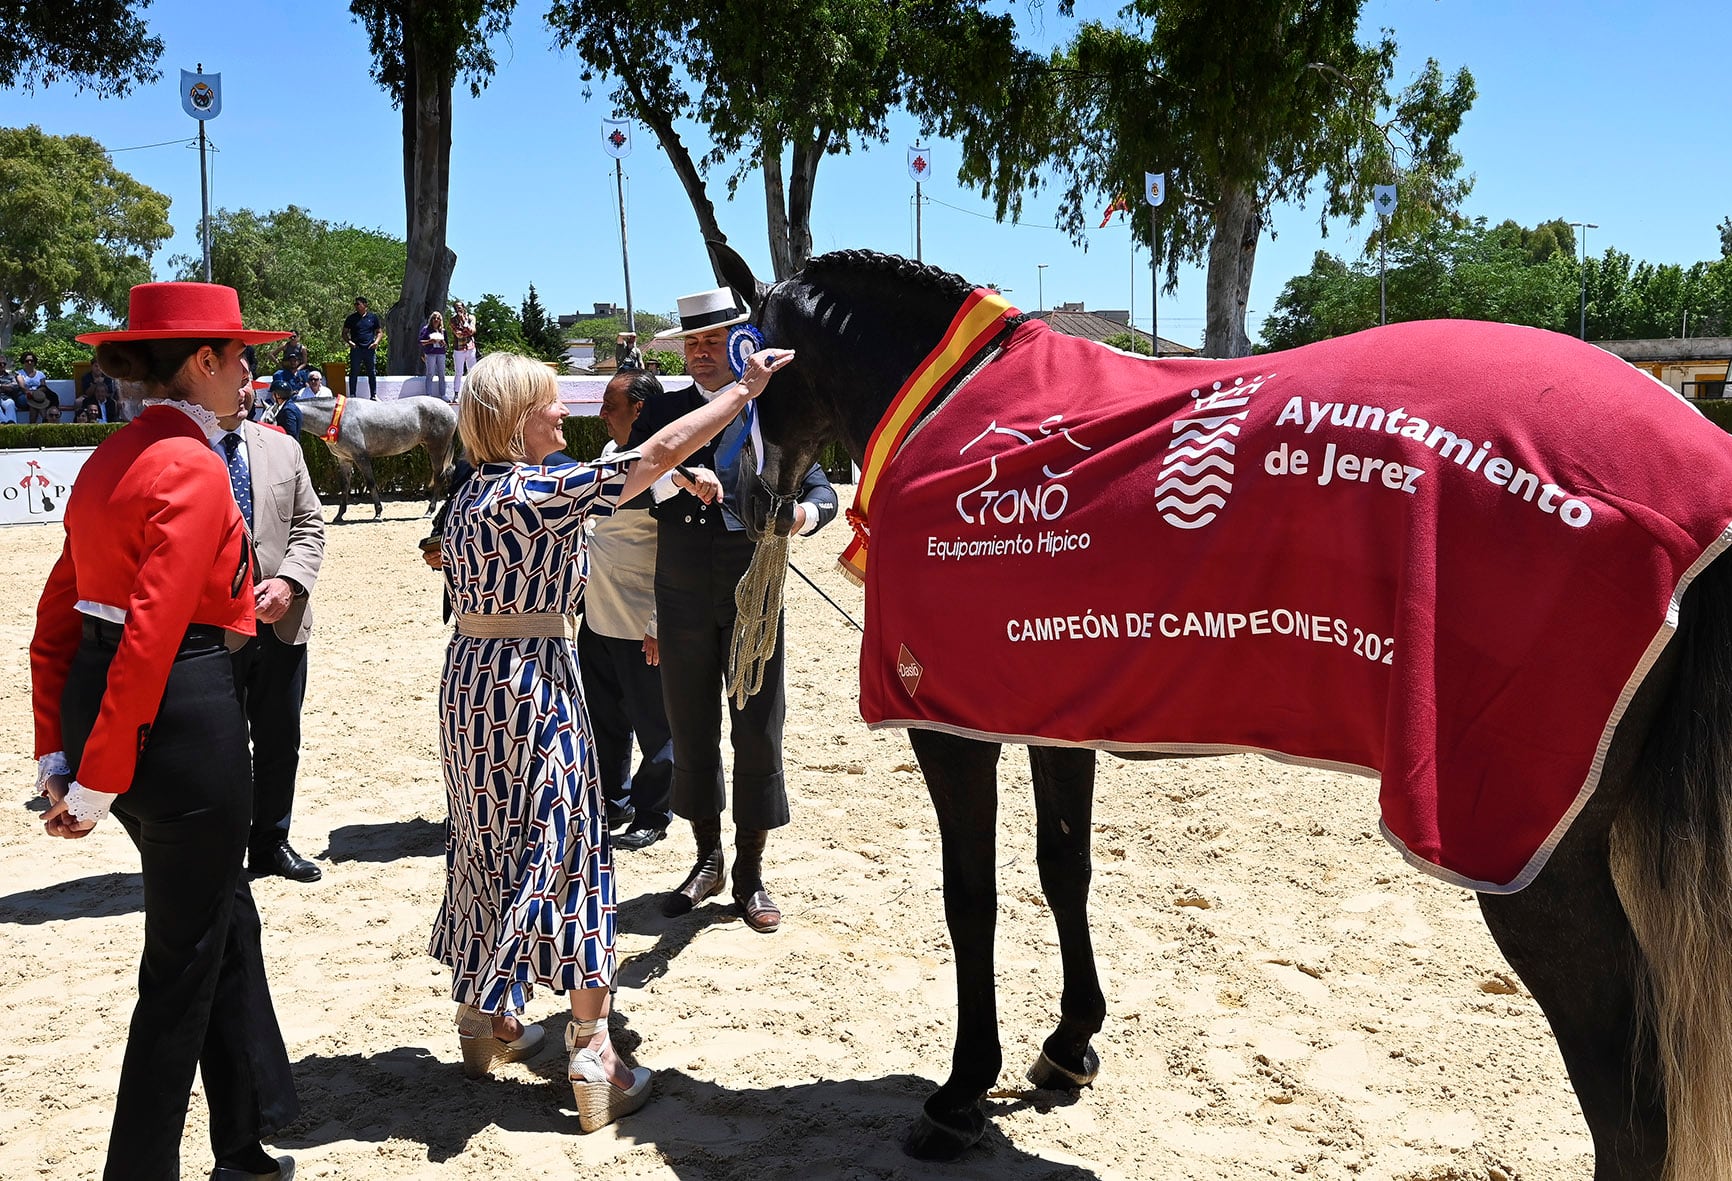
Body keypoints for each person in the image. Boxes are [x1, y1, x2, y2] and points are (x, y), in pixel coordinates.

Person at [430, 344, 793, 1131]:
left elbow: (640, 478)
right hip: (532, 678)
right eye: (551, 404)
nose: (566, 411)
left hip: (468, 680)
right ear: (519, 418)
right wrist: (744, 388)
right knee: (570, 846)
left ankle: (482, 1017)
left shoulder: (467, 495)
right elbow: (657, 448)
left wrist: (672, 476)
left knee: (485, 840)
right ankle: (593, 1051)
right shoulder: (543, 487)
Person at [31, 281, 299, 1181]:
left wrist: (60, 749)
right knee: (179, 969)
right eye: (239, 354)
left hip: (117, 711)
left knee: (218, 918)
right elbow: (153, 628)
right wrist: (96, 773)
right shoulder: (188, 463)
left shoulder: (108, 456)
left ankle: (245, 1145)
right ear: (202, 361)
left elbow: (58, 615)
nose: (250, 370)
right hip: (179, 721)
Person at [628, 286, 839, 934]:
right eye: (689, 342)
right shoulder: (662, 410)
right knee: (689, 725)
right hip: (681, 586)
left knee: (756, 725)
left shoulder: (773, 412)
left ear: (738, 342)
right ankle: (707, 859)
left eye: (710, 340)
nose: (698, 352)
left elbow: (822, 492)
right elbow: (633, 478)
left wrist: (796, 517)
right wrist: (683, 478)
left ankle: (749, 871)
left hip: (754, 590)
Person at [213, 379, 327, 884]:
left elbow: (309, 525)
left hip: (283, 621)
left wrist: (288, 582)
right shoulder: (181, 452)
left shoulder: (284, 446)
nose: (241, 391)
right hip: (211, 631)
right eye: (231, 379)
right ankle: (220, 850)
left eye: (246, 380)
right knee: (221, 745)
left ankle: (271, 844)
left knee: (281, 739)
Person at [582, 369, 674, 850]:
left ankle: (653, 812)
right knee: (605, 719)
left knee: (656, 724)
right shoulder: (607, 458)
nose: (600, 414)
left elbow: (677, 554)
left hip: (643, 622)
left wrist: (661, 623)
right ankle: (612, 800)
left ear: (639, 408)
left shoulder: (665, 470)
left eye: (610, 405)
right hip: (596, 615)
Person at [342, 296, 383, 399]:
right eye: (355, 304)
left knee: (372, 372)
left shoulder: (373, 317)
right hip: (356, 349)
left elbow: (379, 332)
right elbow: (344, 333)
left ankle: (373, 395)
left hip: (369, 349)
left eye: (358, 304)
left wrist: (376, 342)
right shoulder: (351, 318)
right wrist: (349, 342)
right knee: (354, 372)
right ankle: (352, 395)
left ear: (365, 305)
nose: (356, 306)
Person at [450, 300, 477, 397]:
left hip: (470, 348)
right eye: (456, 308)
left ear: (464, 308)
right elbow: (458, 335)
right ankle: (456, 394)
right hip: (459, 349)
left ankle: (472, 393)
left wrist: (464, 322)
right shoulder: (453, 320)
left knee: (472, 371)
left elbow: (473, 331)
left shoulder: (471, 317)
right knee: (459, 372)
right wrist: (467, 331)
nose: (458, 309)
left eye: (460, 307)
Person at [420, 311, 449, 401]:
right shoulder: (426, 329)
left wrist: (443, 343)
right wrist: (430, 341)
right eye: (434, 318)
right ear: (431, 319)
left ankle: (443, 394)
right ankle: (428, 394)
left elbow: (447, 345)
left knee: (442, 374)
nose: (436, 320)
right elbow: (420, 342)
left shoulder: (443, 331)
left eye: (438, 318)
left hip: (441, 353)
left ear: (440, 320)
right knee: (430, 373)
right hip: (430, 353)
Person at [19, 352, 55, 422]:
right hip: (25, 396)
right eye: (27, 361)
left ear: (34, 362)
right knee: (36, 402)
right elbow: (22, 387)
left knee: (36, 402)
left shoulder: (40, 374)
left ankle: (34, 425)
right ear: (23, 362)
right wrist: (32, 394)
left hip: (38, 395)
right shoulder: (19, 373)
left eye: (31, 361)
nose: (29, 362)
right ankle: (45, 420)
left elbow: (43, 387)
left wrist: (36, 394)